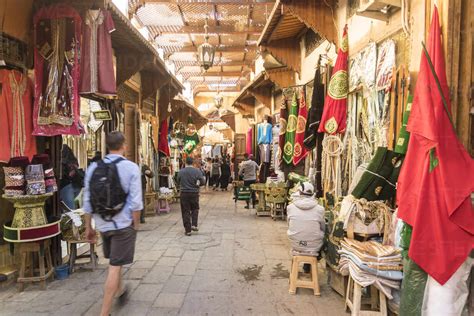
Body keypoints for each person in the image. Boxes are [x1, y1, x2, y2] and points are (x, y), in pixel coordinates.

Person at [83, 131, 143, 316]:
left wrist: (88, 227)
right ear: (124, 145)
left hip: (102, 224)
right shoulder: (131, 168)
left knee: (115, 260)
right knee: (114, 266)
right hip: (123, 225)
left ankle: (120, 290)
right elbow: (136, 202)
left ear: (107, 146)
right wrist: (136, 224)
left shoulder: (93, 168)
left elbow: (87, 200)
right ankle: (105, 312)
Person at [286, 182, 325, 272]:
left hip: (295, 244)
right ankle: (309, 264)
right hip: (314, 246)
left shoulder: (290, 207)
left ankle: (306, 265)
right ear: (313, 194)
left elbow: (289, 225)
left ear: (299, 193)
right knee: (321, 235)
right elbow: (323, 228)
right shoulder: (320, 209)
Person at [177, 156, 206, 236]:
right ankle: (194, 224)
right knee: (195, 209)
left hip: (184, 193)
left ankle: (188, 230)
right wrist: (197, 184)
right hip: (194, 193)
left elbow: (177, 180)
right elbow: (203, 182)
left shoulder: (181, 171)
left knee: (185, 211)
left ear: (185, 162)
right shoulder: (197, 171)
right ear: (193, 163)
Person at [60, 144, 84, 210]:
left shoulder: (62, 162)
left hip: (66, 186)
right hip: (77, 185)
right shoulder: (74, 161)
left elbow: (65, 176)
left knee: (70, 209)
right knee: (70, 207)